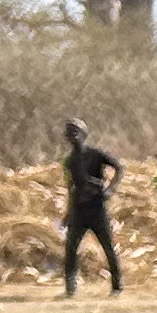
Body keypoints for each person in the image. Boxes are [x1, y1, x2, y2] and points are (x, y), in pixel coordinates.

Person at [60, 117, 122, 296]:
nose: (73, 137)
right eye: (69, 133)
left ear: (83, 134)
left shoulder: (96, 154)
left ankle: (117, 286)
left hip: (96, 208)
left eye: (76, 132)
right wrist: (68, 212)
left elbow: (118, 167)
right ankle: (70, 288)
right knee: (70, 249)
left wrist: (110, 189)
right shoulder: (69, 161)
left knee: (107, 247)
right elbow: (70, 187)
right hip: (78, 210)